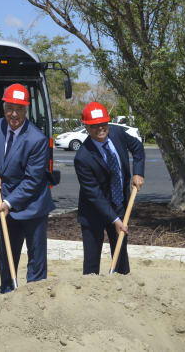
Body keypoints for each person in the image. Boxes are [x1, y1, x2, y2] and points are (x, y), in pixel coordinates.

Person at [0, 83, 55, 293]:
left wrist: (9, 202)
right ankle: (7, 293)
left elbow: (32, 181)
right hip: (5, 204)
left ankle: (34, 296)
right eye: (9, 108)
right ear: (3, 108)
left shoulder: (37, 139)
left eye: (19, 109)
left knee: (36, 259)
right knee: (7, 255)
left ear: (26, 109)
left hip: (32, 207)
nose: (14, 114)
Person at [74, 102, 145, 275]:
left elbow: (137, 148)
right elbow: (94, 194)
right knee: (91, 263)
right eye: (94, 125)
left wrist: (138, 172)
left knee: (120, 257)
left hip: (119, 204)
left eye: (103, 123)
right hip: (93, 212)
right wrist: (115, 220)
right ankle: (92, 289)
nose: (100, 128)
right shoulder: (83, 157)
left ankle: (122, 283)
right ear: (86, 127)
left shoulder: (117, 133)